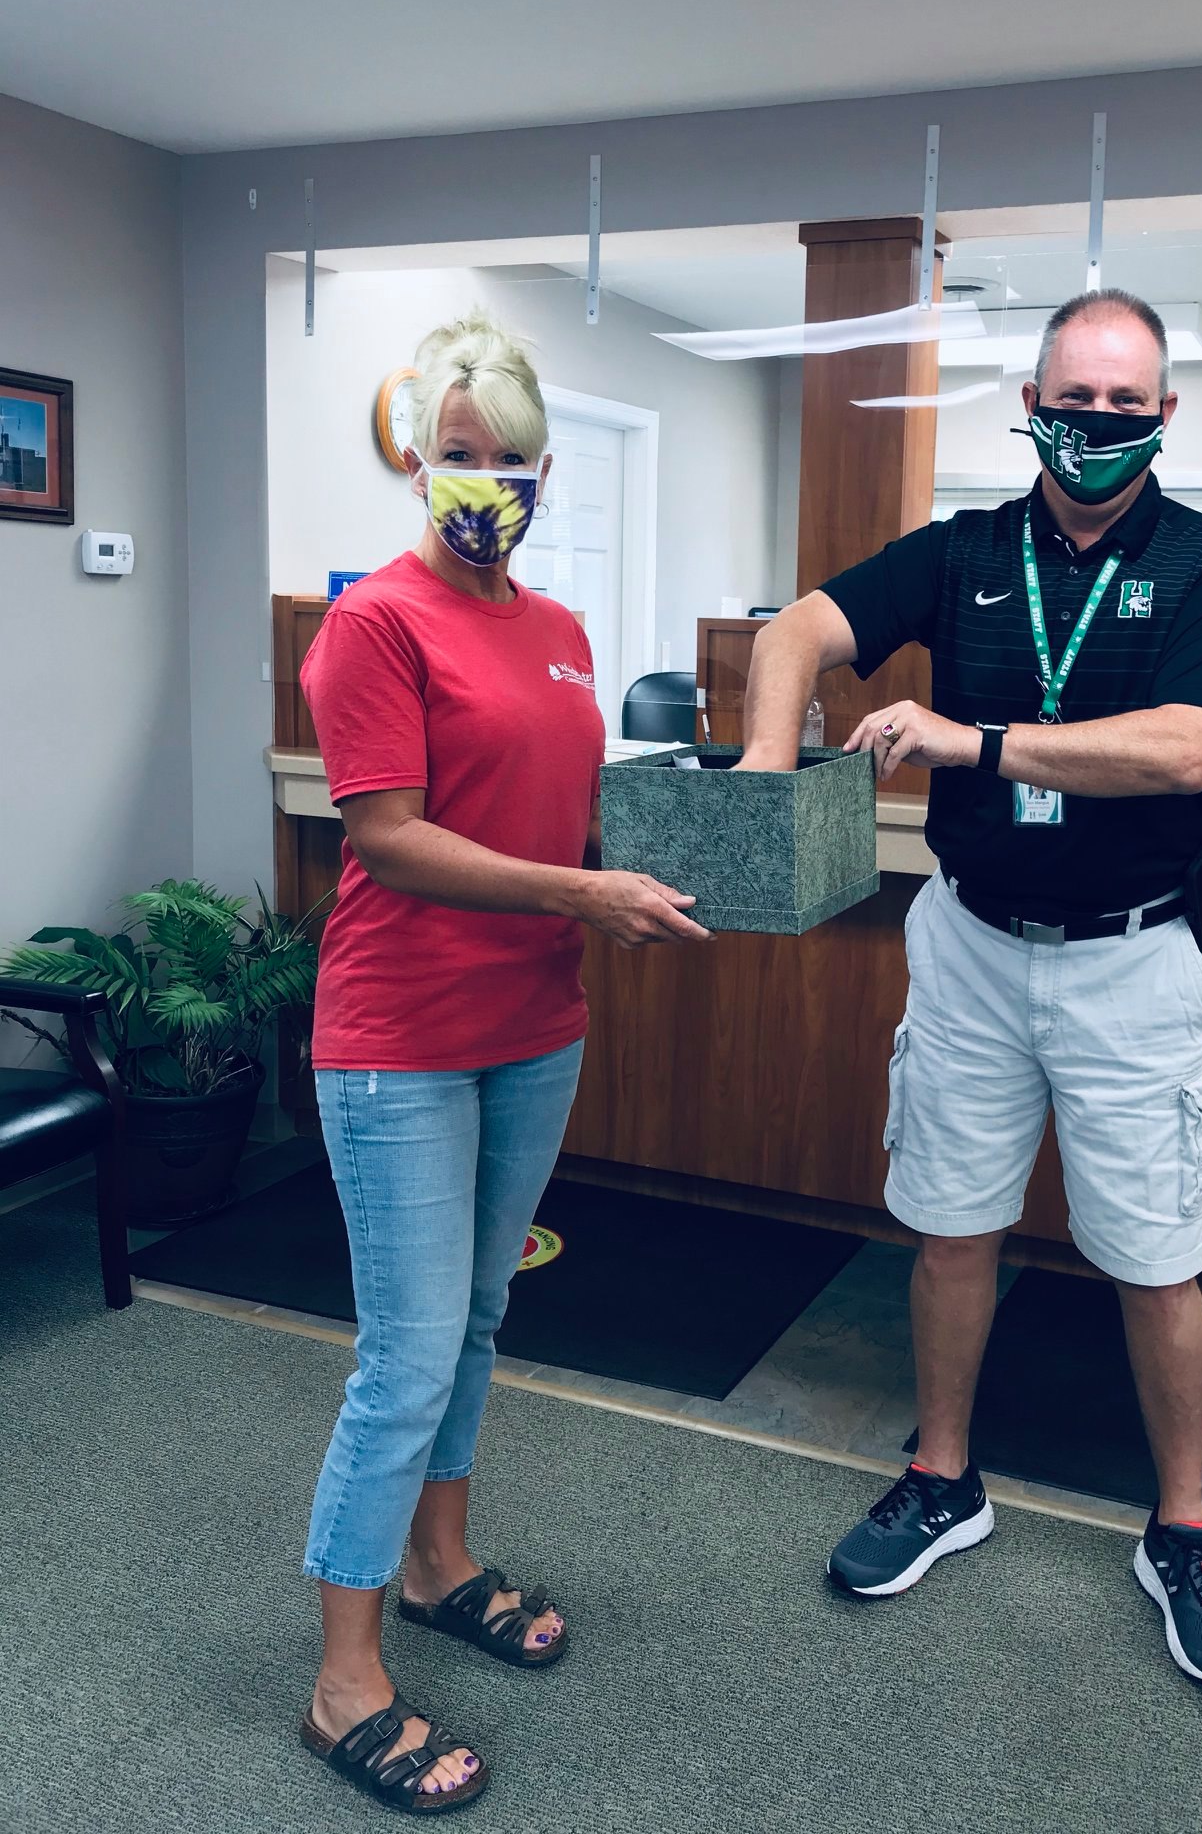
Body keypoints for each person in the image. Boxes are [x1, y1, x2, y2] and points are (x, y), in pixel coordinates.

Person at [737, 288, 1202, 1688]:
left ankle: (1183, 1527)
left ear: (1165, 414)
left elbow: (1183, 750)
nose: (1097, 422)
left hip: (1136, 958)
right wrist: (763, 774)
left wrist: (973, 741)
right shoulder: (966, 553)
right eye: (1073, 398)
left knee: (1157, 1259)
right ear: (1030, 404)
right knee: (950, 1227)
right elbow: (794, 633)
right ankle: (942, 1476)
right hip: (972, 945)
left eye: (1125, 403)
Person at [296, 310, 710, 1812]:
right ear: (420, 458)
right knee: (404, 1357)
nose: (490, 481)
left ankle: (439, 1565)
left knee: (473, 1322)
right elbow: (391, 839)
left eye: (516, 459)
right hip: (399, 1040)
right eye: (462, 454)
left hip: (534, 1030)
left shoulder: (562, 632)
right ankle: (344, 1684)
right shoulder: (373, 625)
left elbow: (559, 811)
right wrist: (582, 895)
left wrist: (681, 848)